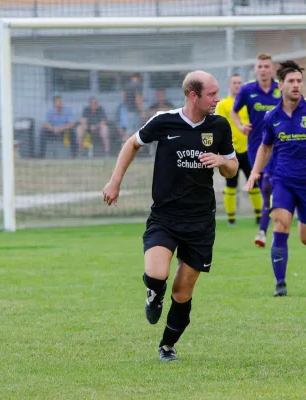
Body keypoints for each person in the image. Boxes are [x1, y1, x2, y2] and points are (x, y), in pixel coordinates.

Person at [102, 71, 238, 362]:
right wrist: (115, 181)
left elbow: (233, 167)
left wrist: (222, 162)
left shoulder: (219, 125)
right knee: (156, 275)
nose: (217, 98)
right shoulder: (164, 120)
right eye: (212, 94)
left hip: (200, 222)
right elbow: (131, 144)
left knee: (182, 292)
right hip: (165, 217)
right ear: (193, 95)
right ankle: (154, 293)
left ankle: (167, 346)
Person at [245, 60, 306, 297]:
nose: (296, 85)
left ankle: (303, 219)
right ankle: (280, 283)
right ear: (281, 85)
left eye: (299, 81)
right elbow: (265, 147)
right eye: (291, 81)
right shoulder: (271, 117)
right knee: (281, 223)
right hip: (282, 179)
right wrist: (254, 172)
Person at [232, 53, 281, 247]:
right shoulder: (247, 90)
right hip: (256, 147)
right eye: (259, 66)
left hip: (280, 146)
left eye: (266, 66)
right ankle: (265, 227)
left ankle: (264, 229)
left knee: (273, 187)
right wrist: (241, 126)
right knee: (266, 187)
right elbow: (234, 112)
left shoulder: (281, 88)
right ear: (255, 69)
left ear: (272, 69)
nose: (263, 69)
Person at [215, 73, 263, 225]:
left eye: (239, 83)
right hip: (231, 152)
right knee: (230, 185)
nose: (237, 85)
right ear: (229, 85)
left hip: (249, 150)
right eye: (234, 83)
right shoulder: (223, 105)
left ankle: (259, 217)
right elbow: (218, 126)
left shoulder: (248, 103)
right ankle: (231, 219)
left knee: (254, 183)